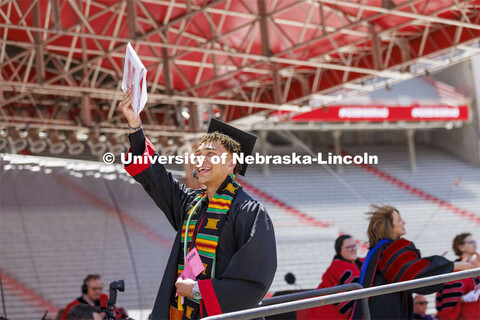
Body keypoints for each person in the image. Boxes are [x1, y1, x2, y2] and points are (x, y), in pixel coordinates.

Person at [118, 90, 277, 319]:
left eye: (210, 154)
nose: (200, 160)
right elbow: (158, 178)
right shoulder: (191, 206)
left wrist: (197, 290)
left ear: (231, 163)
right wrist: (135, 126)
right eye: (199, 154)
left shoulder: (250, 212)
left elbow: (254, 279)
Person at [351, 205, 478, 319]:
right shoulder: (391, 248)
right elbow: (414, 272)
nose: (404, 222)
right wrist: (455, 266)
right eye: (399, 220)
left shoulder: (377, 250)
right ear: (389, 226)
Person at [306, 235, 363, 319]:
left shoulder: (358, 262)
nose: (353, 249)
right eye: (349, 247)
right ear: (339, 250)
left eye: (354, 246)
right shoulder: (337, 267)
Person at [435, 233, 480, 319]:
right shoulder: (456, 270)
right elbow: (449, 302)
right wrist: (463, 299)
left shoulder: (475, 269)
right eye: (471, 242)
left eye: (475, 241)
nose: (475, 244)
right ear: (461, 247)